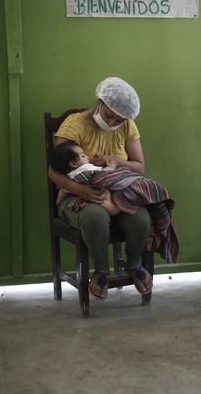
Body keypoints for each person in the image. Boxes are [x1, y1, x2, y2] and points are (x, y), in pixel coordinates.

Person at [49, 77, 158, 300]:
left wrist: (113, 161)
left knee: (141, 218)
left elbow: (139, 167)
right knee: (95, 216)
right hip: (77, 195)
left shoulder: (127, 124)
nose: (113, 122)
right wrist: (84, 192)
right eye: (109, 116)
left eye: (119, 120)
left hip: (118, 193)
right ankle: (100, 272)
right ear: (99, 101)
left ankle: (133, 266)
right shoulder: (74, 125)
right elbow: (54, 172)